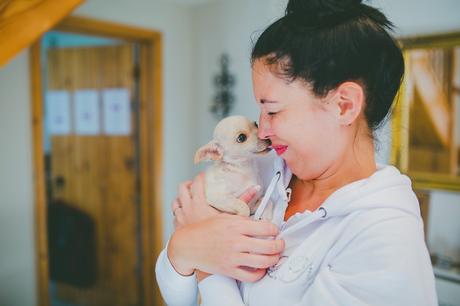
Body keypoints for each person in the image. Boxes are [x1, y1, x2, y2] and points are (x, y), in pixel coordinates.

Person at [155, 0, 438, 305]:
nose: (262, 130)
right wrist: (183, 247)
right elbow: (177, 293)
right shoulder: (261, 169)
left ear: (344, 105)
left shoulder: (384, 237)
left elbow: (194, 252)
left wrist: (206, 262)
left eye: (272, 110)